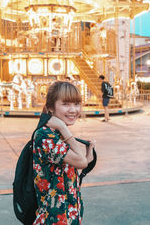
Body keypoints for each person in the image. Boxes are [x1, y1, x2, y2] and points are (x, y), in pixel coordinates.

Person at [32, 81, 95, 224]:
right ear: (50, 107)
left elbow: (74, 164)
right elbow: (80, 161)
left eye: (77, 104)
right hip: (55, 217)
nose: (73, 110)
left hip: (68, 212)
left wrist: (88, 158)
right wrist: (63, 128)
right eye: (66, 104)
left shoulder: (56, 134)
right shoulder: (45, 136)